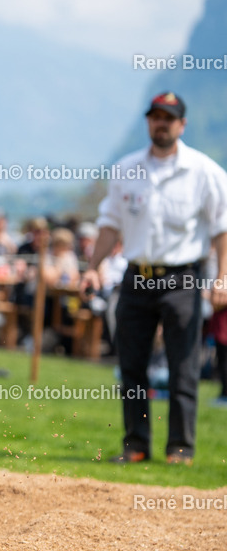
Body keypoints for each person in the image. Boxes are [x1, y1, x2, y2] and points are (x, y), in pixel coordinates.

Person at [81, 92, 227, 466]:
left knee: (184, 366)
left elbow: (222, 230)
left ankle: (180, 448)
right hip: (136, 277)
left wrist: (223, 277)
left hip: (183, 280)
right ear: (149, 122)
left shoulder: (205, 171)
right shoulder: (126, 168)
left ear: (182, 124)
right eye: (155, 116)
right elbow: (110, 225)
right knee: (131, 365)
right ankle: (136, 445)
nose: (160, 123)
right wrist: (93, 266)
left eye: (168, 117)